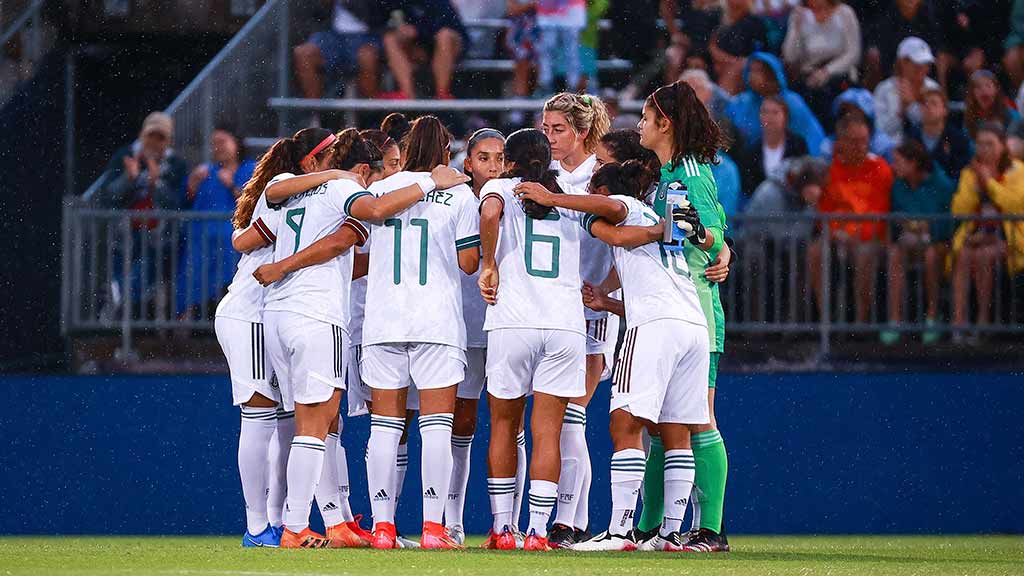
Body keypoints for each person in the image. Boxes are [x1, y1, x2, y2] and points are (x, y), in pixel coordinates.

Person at [259, 127, 467, 548]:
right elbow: (373, 212)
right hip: (346, 315)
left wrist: (282, 266)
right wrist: (431, 181)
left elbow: (247, 234)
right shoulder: (352, 191)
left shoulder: (286, 187)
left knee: (347, 426)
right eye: (374, 171)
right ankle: (429, 527)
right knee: (332, 425)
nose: (376, 178)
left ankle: (377, 527)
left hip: (304, 315)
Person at [516, 160, 707, 552]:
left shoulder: (628, 205)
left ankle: (620, 533)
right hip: (691, 326)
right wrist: (607, 301)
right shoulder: (657, 220)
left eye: (593, 191)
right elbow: (648, 291)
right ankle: (670, 535)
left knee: (624, 424)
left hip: (655, 329)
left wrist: (552, 198)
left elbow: (614, 214)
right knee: (676, 432)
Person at [360, 116, 481, 550]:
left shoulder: (378, 190)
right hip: (437, 322)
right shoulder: (460, 194)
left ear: (408, 149)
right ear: (446, 153)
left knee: (385, 427)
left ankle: (383, 527)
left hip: (383, 319)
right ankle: (433, 528)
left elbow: (360, 255)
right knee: (435, 426)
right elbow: (469, 264)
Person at [627, 80, 732, 553]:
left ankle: (711, 529)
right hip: (674, 306)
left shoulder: (689, 172)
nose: (640, 125)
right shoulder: (671, 169)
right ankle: (648, 526)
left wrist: (713, 243)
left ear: (665, 123)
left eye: (646, 118)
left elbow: (711, 230)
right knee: (664, 419)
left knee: (698, 418)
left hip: (696, 307)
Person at [477, 129, 588, 551]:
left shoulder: (503, 187)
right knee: (548, 431)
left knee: (505, 425)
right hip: (564, 325)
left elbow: (489, 215)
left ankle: (504, 529)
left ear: (511, 161)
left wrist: (489, 265)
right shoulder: (568, 198)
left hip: (514, 321)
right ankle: (539, 530)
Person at [211, 132, 312, 549]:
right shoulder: (283, 193)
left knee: (286, 420)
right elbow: (245, 239)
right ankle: (256, 527)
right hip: (250, 314)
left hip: (272, 317)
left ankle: (276, 520)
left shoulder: (302, 197)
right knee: (258, 417)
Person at [540, 92, 612, 548]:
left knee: (572, 416)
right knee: (550, 421)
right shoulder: (540, 174)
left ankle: (570, 519)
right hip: (547, 308)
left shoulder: (602, 176)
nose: (549, 137)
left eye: (559, 129)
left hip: (591, 305)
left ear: (583, 132)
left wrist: (607, 291)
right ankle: (564, 519)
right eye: (545, 128)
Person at [444, 128, 514, 546]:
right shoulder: (456, 199)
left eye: (499, 157)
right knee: (462, 421)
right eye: (484, 157)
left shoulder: (516, 199)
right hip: (468, 325)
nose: (492, 165)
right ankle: (452, 519)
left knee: (512, 424)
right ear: (467, 163)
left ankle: (509, 522)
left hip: (509, 323)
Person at [809, 113, 894, 325]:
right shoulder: (832, 170)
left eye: (865, 141)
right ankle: (826, 319)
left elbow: (879, 214)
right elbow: (824, 212)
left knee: (864, 255)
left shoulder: (880, 169)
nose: (861, 146)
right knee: (815, 251)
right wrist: (838, 233)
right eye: (855, 141)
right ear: (841, 143)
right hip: (838, 235)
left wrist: (852, 234)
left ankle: (860, 323)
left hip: (871, 238)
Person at [951, 122, 1024, 335]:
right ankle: (959, 322)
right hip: (976, 235)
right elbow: (959, 209)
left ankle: (983, 323)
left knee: (984, 255)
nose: (984, 150)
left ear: (1002, 146)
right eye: (980, 144)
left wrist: (989, 182)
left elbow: (1014, 204)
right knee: (963, 254)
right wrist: (976, 185)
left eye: (990, 144)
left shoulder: (1019, 171)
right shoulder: (970, 173)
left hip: (1010, 238)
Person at [882, 139, 955, 346]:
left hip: (939, 244)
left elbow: (947, 224)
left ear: (913, 163)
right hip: (909, 242)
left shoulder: (941, 185)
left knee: (932, 254)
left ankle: (932, 316)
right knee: (895, 253)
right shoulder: (897, 186)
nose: (893, 166)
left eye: (898, 161)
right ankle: (895, 320)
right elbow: (895, 215)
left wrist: (927, 228)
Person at [179, 125, 256, 319]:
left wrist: (232, 186)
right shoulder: (205, 172)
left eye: (222, 142)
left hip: (234, 245)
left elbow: (256, 202)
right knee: (196, 284)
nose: (218, 147)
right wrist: (191, 185)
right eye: (214, 144)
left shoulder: (251, 170)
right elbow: (184, 203)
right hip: (203, 244)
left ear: (235, 142)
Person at [726, 52, 826, 160]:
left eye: (759, 71)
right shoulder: (741, 102)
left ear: (772, 74)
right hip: (751, 165)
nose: (752, 75)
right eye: (751, 70)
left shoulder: (792, 102)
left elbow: (810, 137)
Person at [781, 0, 861, 122]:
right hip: (809, 75)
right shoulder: (799, 14)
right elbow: (790, 56)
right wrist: (796, 30)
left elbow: (853, 53)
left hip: (839, 73)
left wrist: (827, 72)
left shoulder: (845, 13)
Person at [91, 111, 187, 211]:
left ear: (169, 142)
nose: (154, 142)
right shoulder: (124, 156)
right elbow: (107, 198)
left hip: (162, 225)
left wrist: (156, 183)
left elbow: (178, 204)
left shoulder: (176, 164)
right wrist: (127, 178)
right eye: (150, 135)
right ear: (141, 134)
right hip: (124, 225)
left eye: (160, 138)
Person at [293, 1, 385, 100]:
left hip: (369, 34)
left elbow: (380, 11)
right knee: (303, 53)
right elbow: (315, 13)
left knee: (367, 56)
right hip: (333, 35)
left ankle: (372, 110)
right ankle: (314, 111)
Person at [381, 0, 467, 99]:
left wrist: (417, 31)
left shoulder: (440, 3)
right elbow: (381, 22)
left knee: (444, 36)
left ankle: (442, 93)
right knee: (390, 38)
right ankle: (407, 93)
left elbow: (445, 26)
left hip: (450, 47)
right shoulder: (398, 3)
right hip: (420, 48)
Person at [735, 96, 809, 201]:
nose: (769, 117)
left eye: (775, 112)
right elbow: (747, 186)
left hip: (793, 208)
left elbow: (804, 178)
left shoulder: (798, 145)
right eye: (765, 112)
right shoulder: (751, 150)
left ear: (785, 116)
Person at [873, 36, 942, 145]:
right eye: (917, 64)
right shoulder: (884, 89)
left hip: (924, 147)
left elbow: (934, 125)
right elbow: (880, 130)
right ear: (902, 62)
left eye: (926, 64)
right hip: (892, 148)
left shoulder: (933, 88)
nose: (923, 68)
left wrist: (913, 105)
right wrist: (901, 112)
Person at [863, 0, 945, 89]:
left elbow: (935, 46)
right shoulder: (887, 14)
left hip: (924, 66)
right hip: (894, 67)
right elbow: (884, 48)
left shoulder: (929, 14)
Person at [904, 87, 973, 182]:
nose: (928, 107)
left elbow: (961, 174)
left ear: (945, 110)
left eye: (933, 103)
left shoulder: (958, 139)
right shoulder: (911, 137)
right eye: (924, 103)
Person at [709, 0, 769, 95]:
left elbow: (758, 53)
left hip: (744, 66)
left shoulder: (754, 22)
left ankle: (722, 105)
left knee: (736, 68)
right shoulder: (719, 20)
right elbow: (711, 46)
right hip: (718, 63)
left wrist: (730, 62)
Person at [535, 0, 586, 95]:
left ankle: (573, 88)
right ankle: (545, 85)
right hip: (549, 14)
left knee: (571, 52)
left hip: (572, 14)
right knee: (547, 51)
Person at [964, 70, 1021, 140]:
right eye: (978, 87)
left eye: (988, 86)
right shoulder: (969, 118)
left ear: (996, 89)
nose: (984, 90)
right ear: (972, 93)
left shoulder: (1012, 116)